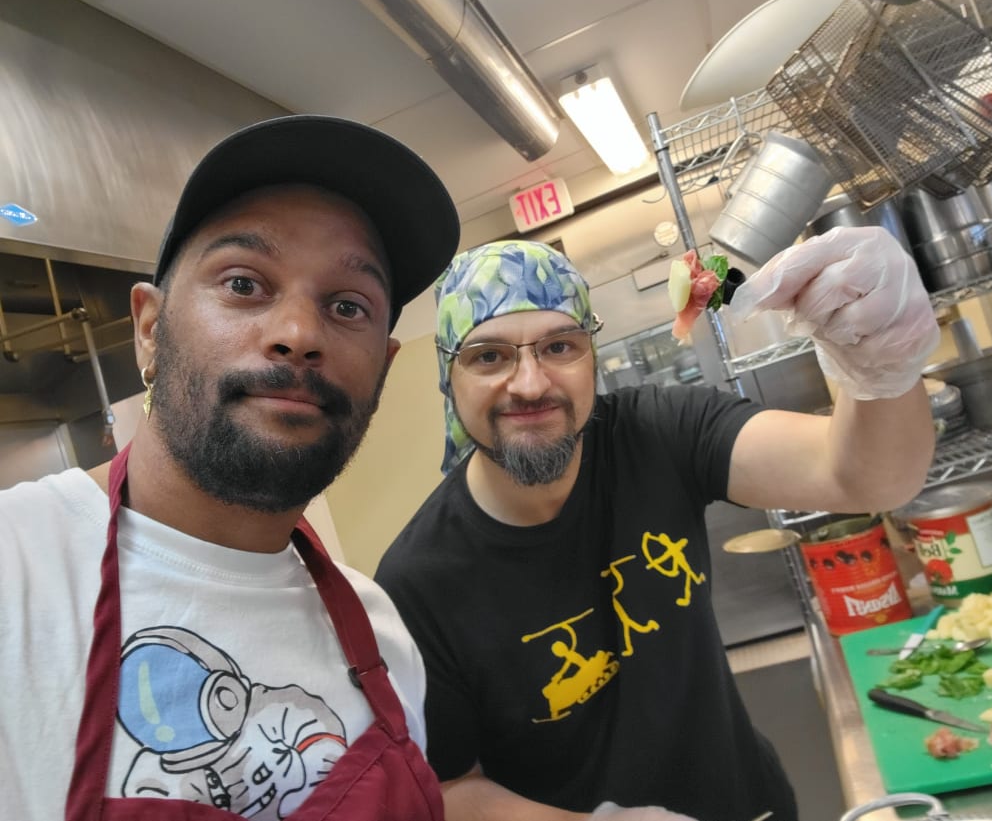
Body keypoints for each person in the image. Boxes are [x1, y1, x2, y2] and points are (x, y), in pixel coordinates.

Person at [375, 231, 941, 821]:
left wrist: (882, 368)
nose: (530, 383)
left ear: (591, 353)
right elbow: (449, 787)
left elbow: (864, 479)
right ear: (449, 378)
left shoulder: (657, 432)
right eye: (488, 356)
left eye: (559, 346)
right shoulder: (419, 581)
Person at [0, 114, 460, 821]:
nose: (301, 334)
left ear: (385, 367)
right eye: (245, 283)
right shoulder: (16, 574)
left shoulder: (384, 638)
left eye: (347, 305)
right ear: (149, 328)